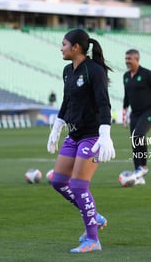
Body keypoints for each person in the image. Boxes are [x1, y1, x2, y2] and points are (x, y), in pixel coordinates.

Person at [47, 28, 115, 253]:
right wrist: (57, 128)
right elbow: (67, 101)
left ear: (76, 48)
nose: (61, 48)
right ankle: (93, 215)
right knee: (58, 181)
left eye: (64, 44)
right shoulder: (67, 70)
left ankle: (93, 240)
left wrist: (105, 135)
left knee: (78, 185)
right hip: (74, 134)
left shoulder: (94, 71)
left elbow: (104, 104)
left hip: (92, 136)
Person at [122, 49, 151, 185]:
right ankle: (139, 174)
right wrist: (124, 111)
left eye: (129, 59)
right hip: (134, 113)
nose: (127, 61)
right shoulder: (125, 76)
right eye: (126, 59)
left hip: (150, 111)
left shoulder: (147, 74)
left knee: (139, 134)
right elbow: (126, 95)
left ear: (137, 59)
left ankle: (144, 167)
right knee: (134, 141)